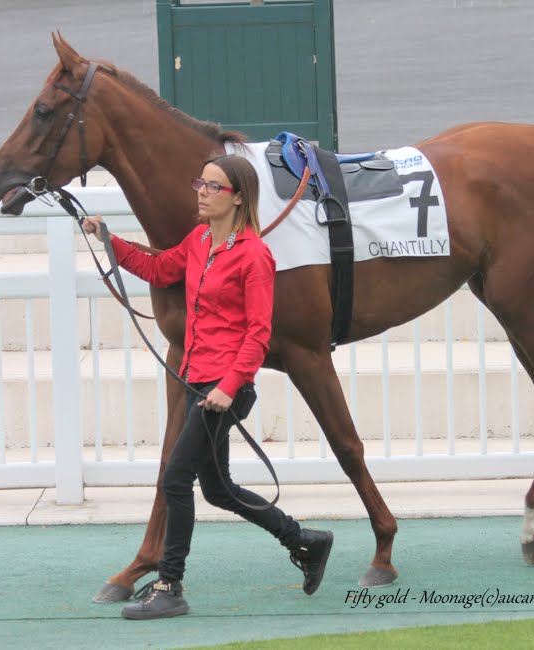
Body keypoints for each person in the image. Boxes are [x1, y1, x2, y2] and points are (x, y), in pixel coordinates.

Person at [83, 154, 333, 620]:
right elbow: (158, 271)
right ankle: (305, 540)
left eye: (212, 186)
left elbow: (259, 334)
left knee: (177, 479)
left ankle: (170, 585)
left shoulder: (255, 255)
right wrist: (107, 239)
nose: (200, 191)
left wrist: (230, 386)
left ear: (237, 197)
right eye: (201, 182)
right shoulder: (199, 240)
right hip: (199, 381)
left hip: (225, 390)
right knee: (218, 490)